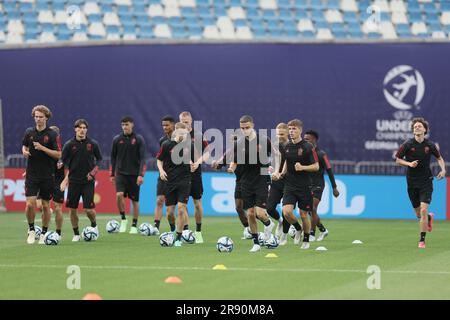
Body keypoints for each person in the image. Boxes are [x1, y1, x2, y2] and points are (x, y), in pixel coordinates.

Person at [395, 117, 446, 249]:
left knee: (423, 210)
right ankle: (428, 218)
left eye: (419, 126)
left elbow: (439, 158)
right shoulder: (407, 145)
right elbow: (398, 159)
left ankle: (422, 240)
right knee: (418, 214)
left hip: (426, 181)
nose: (417, 127)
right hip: (412, 182)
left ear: (425, 130)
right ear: (413, 131)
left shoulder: (430, 145)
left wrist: (443, 169)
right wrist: (409, 164)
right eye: (415, 126)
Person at [228, 115, 274, 252]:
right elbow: (235, 161)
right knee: (250, 213)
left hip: (261, 180)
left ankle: (268, 223)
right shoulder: (239, 143)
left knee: (260, 213)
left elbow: (274, 155)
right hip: (246, 181)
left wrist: (272, 168)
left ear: (252, 125)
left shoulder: (264, 140)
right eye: (242, 128)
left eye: (247, 127)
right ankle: (256, 243)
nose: (245, 130)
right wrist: (231, 168)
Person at [273, 119, 319, 250]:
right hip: (290, 185)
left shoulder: (307, 146)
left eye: (294, 129)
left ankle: (306, 240)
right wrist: (281, 173)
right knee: (286, 212)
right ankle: (297, 228)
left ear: (300, 130)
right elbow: (287, 161)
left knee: (304, 214)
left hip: (305, 186)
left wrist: (303, 167)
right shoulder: (287, 147)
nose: (291, 131)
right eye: (290, 129)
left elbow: (316, 166)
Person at [22, 105, 61, 244]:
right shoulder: (29, 132)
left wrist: (42, 148)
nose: (38, 119)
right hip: (32, 174)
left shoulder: (52, 135)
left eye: (40, 117)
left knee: (45, 205)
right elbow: (24, 146)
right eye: (36, 117)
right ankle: (31, 230)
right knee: (30, 205)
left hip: (47, 175)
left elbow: (58, 154)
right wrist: (24, 151)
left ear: (46, 118)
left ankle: (44, 233)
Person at [60, 119, 102, 242]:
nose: (82, 130)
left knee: (88, 209)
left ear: (86, 130)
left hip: (88, 181)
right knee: (72, 209)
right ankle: (76, 234)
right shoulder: (69, 145)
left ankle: (94, 225)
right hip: (73, 181)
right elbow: (62, 159)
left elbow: (99, 160)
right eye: (79, 128)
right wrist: (61, 164)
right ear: (75, 129)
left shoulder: (92, 144)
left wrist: (93, 173)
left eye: (84, 128)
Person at [156, 122, 191, 247]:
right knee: (170, 213)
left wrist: (193, 164)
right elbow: (159, 160)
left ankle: (178, 238)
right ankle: (172, 230)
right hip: (170, 182)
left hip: (185, 181)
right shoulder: (166, 145)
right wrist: (161, 171)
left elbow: (193, 159)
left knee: (181, 209)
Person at [110, 116, 147, 234]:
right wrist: (112, 174)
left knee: (134, 201)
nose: (125, 127)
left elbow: (143, 158)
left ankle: (134, 225)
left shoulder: (139, 139)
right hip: (120, 173)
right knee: (119, 195)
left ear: (132, 125)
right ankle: (123, 219)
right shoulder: (117, 139)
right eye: (123, 125)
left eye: (127, 124)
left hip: (134, 175)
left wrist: (141, 175)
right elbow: (113, 157)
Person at [212, 130, 250, 237]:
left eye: (236, 140)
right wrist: (215, 164)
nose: (234, 143)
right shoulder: (230, 153)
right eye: (233, 141)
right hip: (239, 182)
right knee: (239, 207)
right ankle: (248, 228)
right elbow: (218, 166)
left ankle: (266, 224)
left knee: (253, 209)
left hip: (251, 182)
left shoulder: (248, 151)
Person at [179, 111, 210, 243]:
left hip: (195, 175)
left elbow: (207, 153)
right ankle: (186, 230)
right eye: (182, 121)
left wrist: (197, 162)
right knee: (182, 205)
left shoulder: (198, 136)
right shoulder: (178, 136)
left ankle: (198, 232)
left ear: (191, 121)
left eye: (186, 122)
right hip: (181, 175)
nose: (185, 124)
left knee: (197, 204)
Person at [304, 130, 339, 242]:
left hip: (318, 185)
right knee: (309, 210)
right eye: (304, 139)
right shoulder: (304, 153)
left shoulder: (321, 154)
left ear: (314, 140)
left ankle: (312, 233)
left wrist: (334, 187)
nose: (305, 141)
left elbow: (329, 170)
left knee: (313, 208)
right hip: (306, 185)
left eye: (307, 139)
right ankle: (323, 230)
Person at [267, 123, 290, 241]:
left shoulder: (292, 146)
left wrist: (280, 173)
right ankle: (280, 221)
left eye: (282, 134)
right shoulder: (274, 145)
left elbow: (288, 164)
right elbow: (275, 160)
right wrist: (271, 168)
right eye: (277, 134)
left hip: (289, 182)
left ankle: (284, 236)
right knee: (269, 208)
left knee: (286, 210)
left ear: (287, 133)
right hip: (276, 182)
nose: (279, 136)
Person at [154, 115, 176, 234]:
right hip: (164, 175)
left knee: (180, 206)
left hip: (178, 177)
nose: (165, 127)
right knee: (159, 200)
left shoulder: (181, 139)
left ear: (173, 125)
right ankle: (156, 227)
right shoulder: (162, 141)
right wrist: (161, 171)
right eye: (163, 125)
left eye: (167, 125)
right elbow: (160, 158)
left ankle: (184, 229)